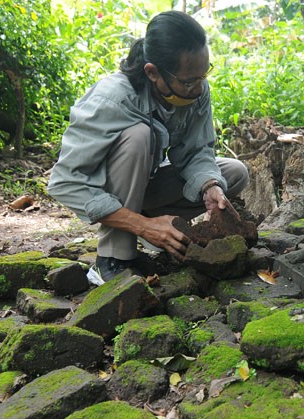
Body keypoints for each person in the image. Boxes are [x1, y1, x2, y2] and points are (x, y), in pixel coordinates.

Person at [47, 11, 249, 281]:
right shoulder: (112, 99)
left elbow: (196, 152)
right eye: (189, 81)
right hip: (110, 190)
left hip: (144, 188)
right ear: (152, 72)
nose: (198, 89)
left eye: (203, 76)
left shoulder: (196, 89)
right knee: (140, 136)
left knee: (234, 173)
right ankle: (113, 258)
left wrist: (209, 185)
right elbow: (64, 182)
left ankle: (164, 228)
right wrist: (143, 226)